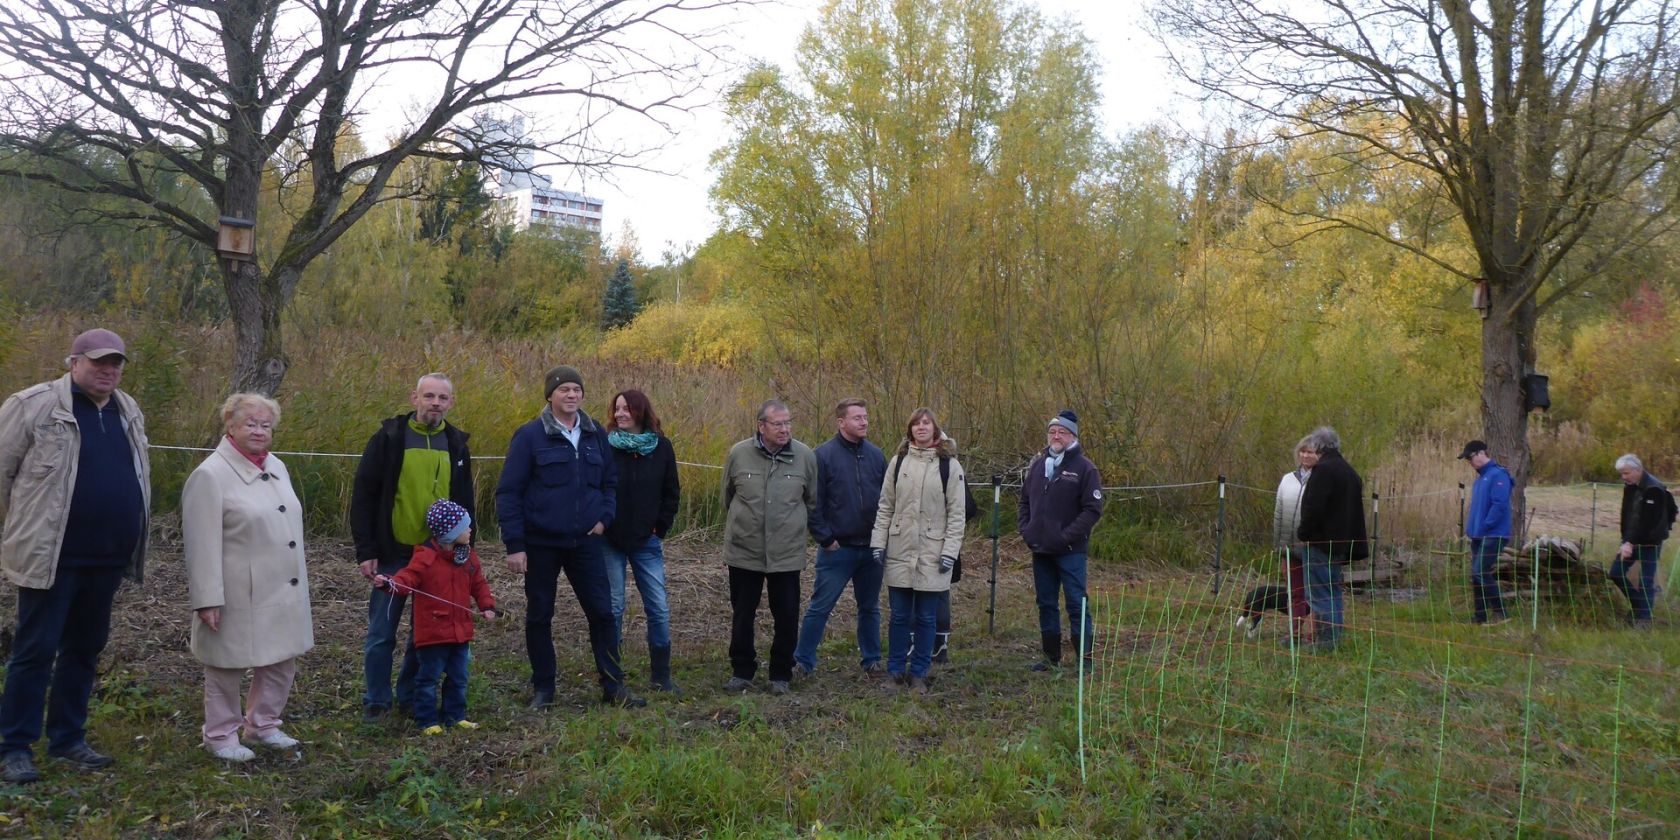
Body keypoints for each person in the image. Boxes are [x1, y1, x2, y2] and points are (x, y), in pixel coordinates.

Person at [0, 328, 151, 784]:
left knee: (84, 649)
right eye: (99, 361)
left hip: (106, 556)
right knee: (35, 649)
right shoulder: (33, 405)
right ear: (74, 362)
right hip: (52, 556)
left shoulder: (128, 410)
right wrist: (23, 530)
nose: (109, 370)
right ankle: (13, 746)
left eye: (117, 363)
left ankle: (67, 739)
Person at [497, 365, 643, 709]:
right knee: (539, 614)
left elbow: (609, 483)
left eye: (577, 389)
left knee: (603, 614)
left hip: (586, 541)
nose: (572, 395)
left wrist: (604, 519)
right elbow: (508, 492)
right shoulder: (530, 436)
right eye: (564, 390)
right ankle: (544, 689)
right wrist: (514, 545)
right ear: (550, 395)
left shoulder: (595, 435)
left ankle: (613, 686)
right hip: (541, 543)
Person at [182, 393, 313, 762]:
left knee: (281, 658)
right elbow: (200, 542)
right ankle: (220, 734)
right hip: (238, 589)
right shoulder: (211, 474)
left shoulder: (276, 465)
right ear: (231, 426)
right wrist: (207, 597)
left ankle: (263, 725)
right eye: (250, 423)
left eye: (265, 424)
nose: (258, 430)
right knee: (228, 663)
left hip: (281, 585)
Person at [349, 373, 475, 723]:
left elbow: (466, 501)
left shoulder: (456, 444)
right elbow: (364, 495)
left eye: (443, 398)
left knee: (426, 635)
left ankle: (408, 695)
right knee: (381, 633)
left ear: (451, 402)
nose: (436, 403)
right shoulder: (390, 438)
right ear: (414, 398)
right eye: (429, 396)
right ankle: (377, 699)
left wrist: (466, 550)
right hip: (394, 553)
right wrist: (366, 549)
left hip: (438, 557)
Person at [720, 399, 821, 694]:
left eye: (788, 422)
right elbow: (728, 497)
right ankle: (742, 671)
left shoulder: (805, 457)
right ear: (761, 426)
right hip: (744, 551)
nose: (785, 429)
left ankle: (781, 674)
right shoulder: (739, 454)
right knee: (742, 614)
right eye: (778, 423)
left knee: (787, 615)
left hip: (787, 554)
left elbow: (812, 501)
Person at [375, 500, 497, 735]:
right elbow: (407, 578)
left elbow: (479, 584)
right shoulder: (425, 557)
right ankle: (427, 721)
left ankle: (455, 716)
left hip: (460, 630)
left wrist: (487, 605)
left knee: (459, 677)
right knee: (428, 678)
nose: (470, 530)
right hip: (432, 632)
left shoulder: (468, 557)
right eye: (465, 527)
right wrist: (390, 584)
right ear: (450, 533)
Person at [870, 409, 966, 693]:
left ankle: (920, 673)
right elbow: (886, 506)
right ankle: (895, 671)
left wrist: (950, 550)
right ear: (909, 429)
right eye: (916, 423)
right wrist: (878, 542)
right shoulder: (898, 462)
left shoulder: (950, 466)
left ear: (936, 430)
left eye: (927, 423)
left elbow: (956, 513)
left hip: (933, 553)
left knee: (926, 617)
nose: (921, 427)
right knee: (899, 616)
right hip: (900, 549)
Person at [794, 398, 886, 677]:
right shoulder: (822, 456)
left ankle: (871, 660)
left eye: (866, 417)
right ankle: (803, 662)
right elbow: (813, 502)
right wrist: (825, 538)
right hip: (838, 549)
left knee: (870, 608)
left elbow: (886, 500)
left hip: (872, 548)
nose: (864, 422)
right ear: (841, 422)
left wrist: (882, 537)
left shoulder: (876, 456)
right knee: (820, 607)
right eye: (857, 417)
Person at [602, 389, 682, 694]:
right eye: (617, 408)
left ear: (640, 411)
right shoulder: (604, 445)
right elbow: (595, 488)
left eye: (627, 409)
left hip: (646, 541)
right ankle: (612, 675)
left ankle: (661, 676)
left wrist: (659, 528)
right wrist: (601, 524)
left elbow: (671, 492)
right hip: (609, 539)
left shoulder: (662, 447)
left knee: (658, 607)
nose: (621, 413)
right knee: (614, 606)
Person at [1018, 410, 1105, 671]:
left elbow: (1092, 510)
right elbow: (1024, 502)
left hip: (1070, 551)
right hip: (1041, 549)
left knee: (1076, 604)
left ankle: (1084, 661)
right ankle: (1051, 657)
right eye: (1052, 431)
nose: (1056, 436)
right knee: (1046, 603)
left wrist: (1066, 536)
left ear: (1073, 436)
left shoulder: (1085, 468)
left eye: (1062, 432)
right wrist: (1027, 530)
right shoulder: (1038, 465)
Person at [1295, 426, 1367, 651]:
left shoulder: (1324, 470)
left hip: (1321, 542)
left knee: (1320, 593)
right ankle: (1333, 637)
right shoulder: (1349, 471)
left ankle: (1326, 642)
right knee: (1333, 591)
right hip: (1341, 544)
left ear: (1318, 446)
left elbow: (1313, 508)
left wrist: (1304, 533)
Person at [1611, 454, 1675, 627]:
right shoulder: (1630, 486)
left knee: (1646, 580)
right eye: (1622, 474)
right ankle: (1640, 608)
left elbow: (1648, 521)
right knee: (1616, 573)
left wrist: (1630, 543)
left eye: (1626, 473)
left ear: (1638, 470)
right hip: (1629, 540)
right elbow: (1628, 515)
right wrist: (1625, 540)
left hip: (1650, 542)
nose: (1624, 477)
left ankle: (1644, 622)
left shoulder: (1654, 488)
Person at [1459, 440, 1513, 626]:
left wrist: (1484, 526)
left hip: (1494, 534)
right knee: (1476, 575)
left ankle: (1501, 613)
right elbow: (1478, 509)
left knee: (1480, 571)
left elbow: (1499, 506)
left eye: (1470, 457)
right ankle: (1480, 617)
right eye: (1467, 459)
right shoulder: (1480, 480)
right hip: (1478, 535)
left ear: (1482, 453)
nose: (1470, 462)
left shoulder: (1499, 475)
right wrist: (1471, 530)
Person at [1272, 437, 1318, 645]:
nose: (1306, 455)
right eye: (1303, 452)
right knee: (1295, 592)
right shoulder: (1287, 479)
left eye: (1311, 452)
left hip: (1313, 546)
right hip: (1289, 547)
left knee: (1316, 592)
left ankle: (1314, 633)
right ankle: (1295, 633)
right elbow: (1279, 513)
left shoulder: (1321, 479)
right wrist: (1279, 546)